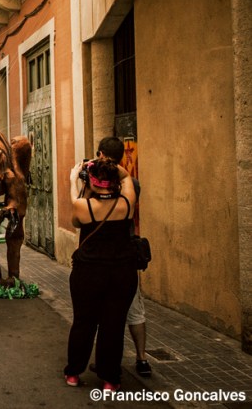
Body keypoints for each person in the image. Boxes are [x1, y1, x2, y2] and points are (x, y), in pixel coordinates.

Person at [64, 158, 137, 391]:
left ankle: (74, 373)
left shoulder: (82, 206)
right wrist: (107, 165)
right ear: (113, 181)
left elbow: (76, 222)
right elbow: (126, 176)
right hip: (121, 274)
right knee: (113, 326)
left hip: (88, 273)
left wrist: (74, 180)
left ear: (92, 182)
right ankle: (109, 379)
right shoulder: (127, 203)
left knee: (83, 322)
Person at [96, 137, 152, 378]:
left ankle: (107, 363)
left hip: (102, 257)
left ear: (101, 155)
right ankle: (142, 358)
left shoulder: (96, 183)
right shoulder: (132, 184)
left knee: (105, 313)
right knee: (135, 309)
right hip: (125, 254)